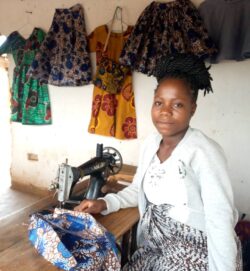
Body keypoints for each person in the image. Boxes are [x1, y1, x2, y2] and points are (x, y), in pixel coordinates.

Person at [74, 53, 242, 271]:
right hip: (155, 247)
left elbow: (221, 221)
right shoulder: (151, 144)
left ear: (193, 108)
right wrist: (105, 203)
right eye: (159, 102)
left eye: (178, 105)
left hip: (197, 254)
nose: (165, 111)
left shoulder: (203, 152)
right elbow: (138, 190)